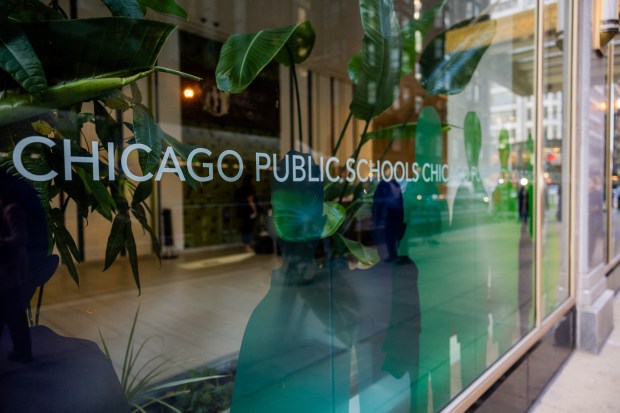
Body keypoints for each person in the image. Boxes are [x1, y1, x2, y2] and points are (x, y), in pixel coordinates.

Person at [0, 172, 32, 363]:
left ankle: (23, 351)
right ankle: (22, 351)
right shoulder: (5, 208)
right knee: (13, 315)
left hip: (10, 271)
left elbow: (20, 238)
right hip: (7, 271)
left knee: (15, 315)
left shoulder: (12, 209)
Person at [235, 175, 258, 252]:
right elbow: (250, 201)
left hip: (242, 212)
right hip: (249, 212)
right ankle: (247, 245)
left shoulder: (240, 189)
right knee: (248, 228)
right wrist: (255, 210)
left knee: (245, 228)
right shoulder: (249, 189)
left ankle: (245, 245)